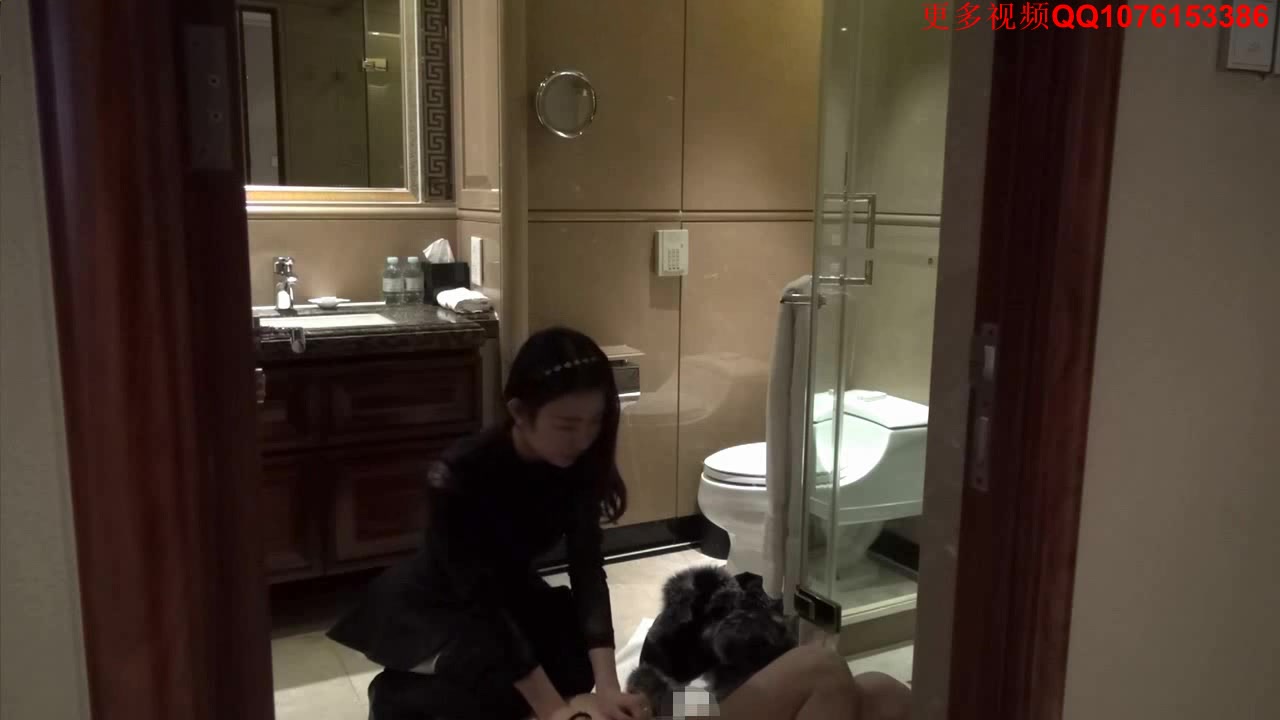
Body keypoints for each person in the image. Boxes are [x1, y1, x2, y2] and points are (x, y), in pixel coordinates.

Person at [328, 327, 652, 720]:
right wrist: (553, 711)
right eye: (567, 425)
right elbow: (480, 601)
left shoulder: (577, 462)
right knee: (489, 687)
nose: (584, 439)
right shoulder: (461, 472)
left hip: (510, 591)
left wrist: (608, 688)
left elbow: (586, 568)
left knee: (572, 664)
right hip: (441, 601)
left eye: (594, 421)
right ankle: (395, 697)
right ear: (519, 412)